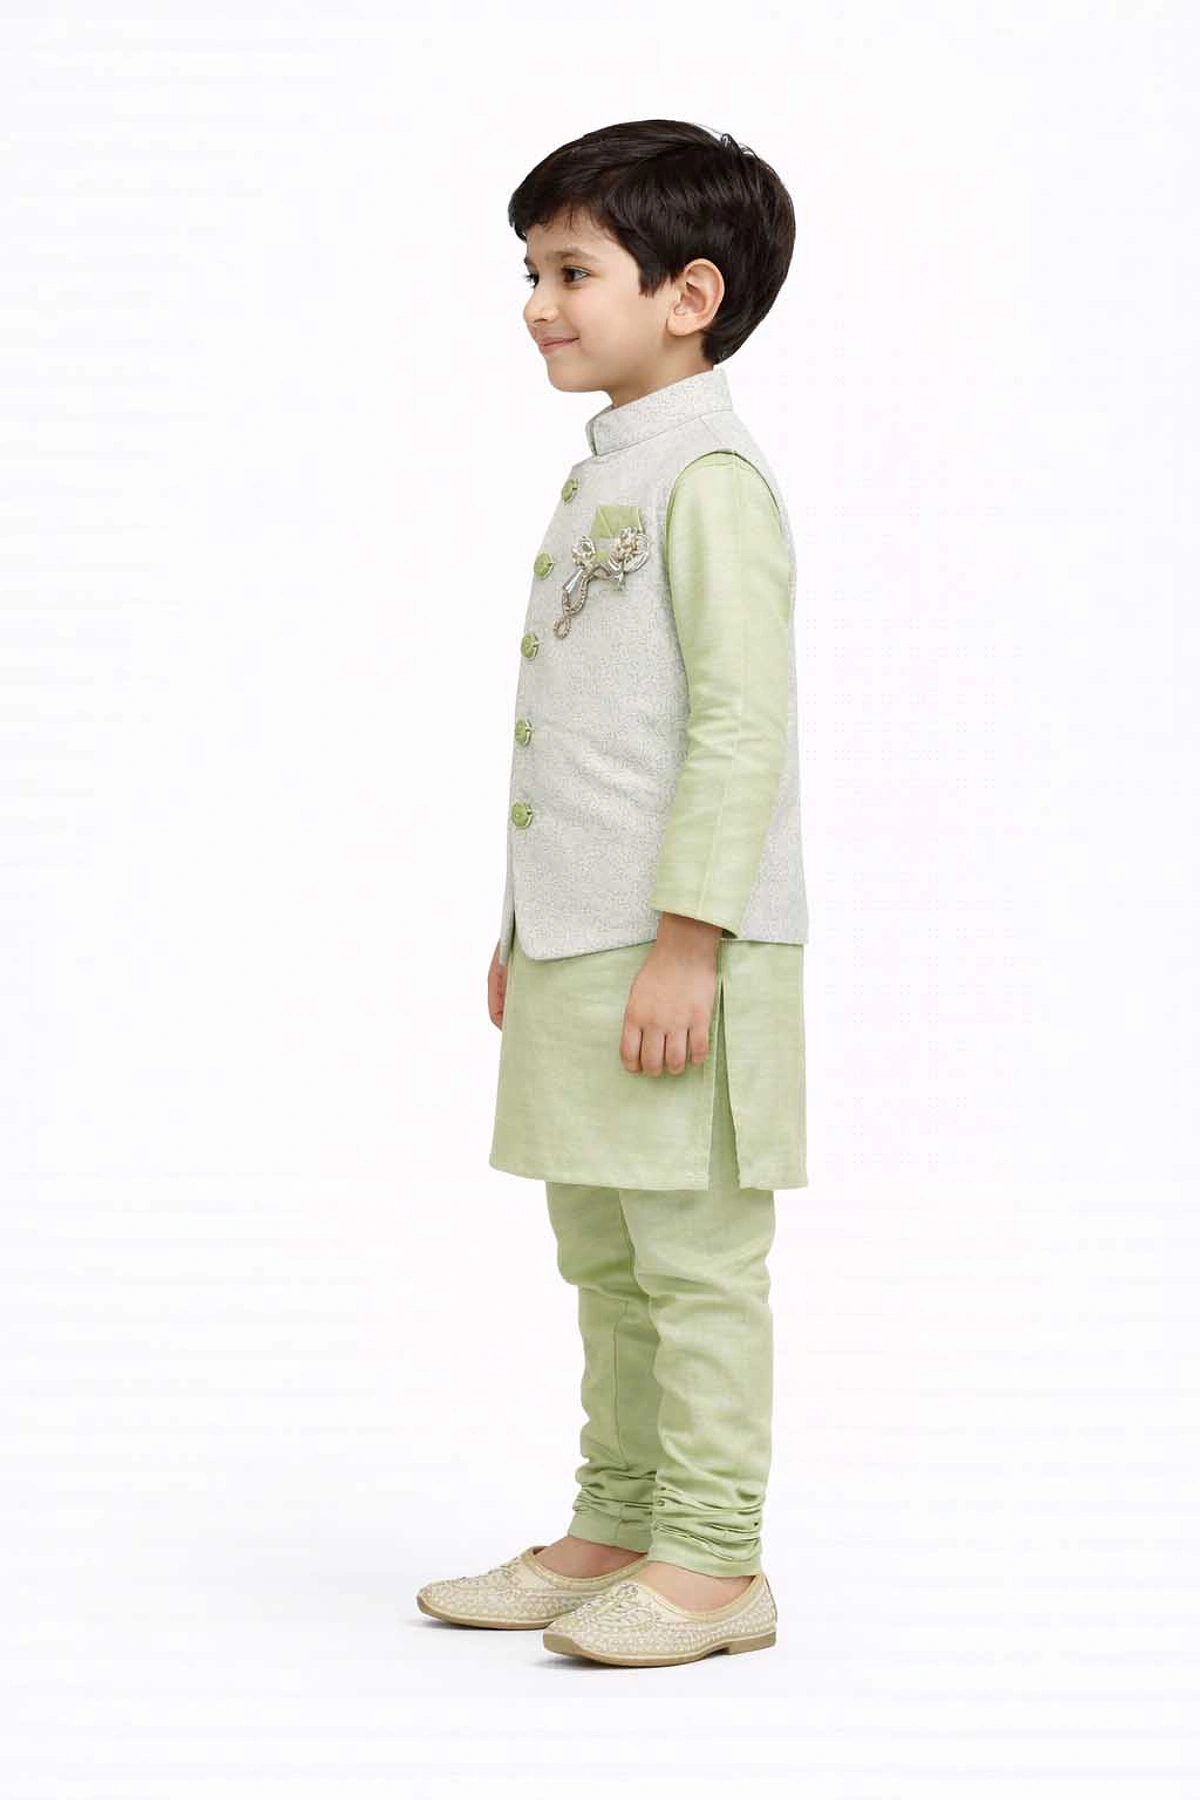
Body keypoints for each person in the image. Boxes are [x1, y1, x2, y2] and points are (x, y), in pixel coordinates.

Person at [417, 119, 811, 1669]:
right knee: (605, 1258)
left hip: (675, 950)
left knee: (695, 1262)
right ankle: (621, 1520)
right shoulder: (614, 471)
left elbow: (739, 729)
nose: (539, 305)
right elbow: (587, 736)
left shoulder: (711, 481)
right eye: (531, 272)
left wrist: (688, 947)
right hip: (586, 942)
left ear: (688, 295)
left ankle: (716, 1560)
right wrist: (525, 930)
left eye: (573, 272)